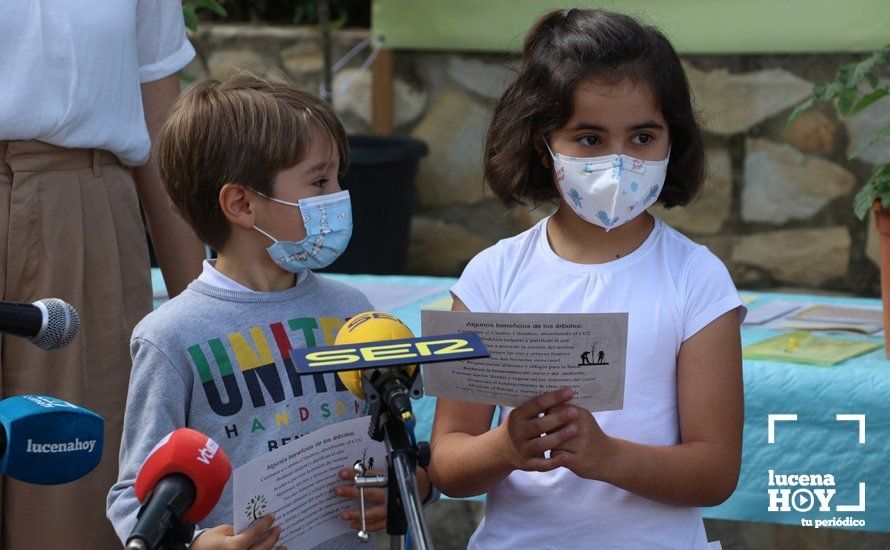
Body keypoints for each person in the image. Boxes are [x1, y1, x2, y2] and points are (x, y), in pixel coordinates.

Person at [429, 8, 745, 549]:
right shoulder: (492, 277)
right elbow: (448, 462)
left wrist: (606, 457)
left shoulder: (697, 279)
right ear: (542, 143)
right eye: (590, 139)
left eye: (643, 137)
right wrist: (505, 447)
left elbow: (716, 472)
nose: (619, 162)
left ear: (674, 138)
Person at [106, 74, 432, 549]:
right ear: (241, 203)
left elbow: (398, 446)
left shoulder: (354, 313)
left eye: (338, 176)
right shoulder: (170, 335)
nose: (338, 195)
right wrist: (196, 545)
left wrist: (404, 491)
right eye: (319, 179)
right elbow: (132, 496)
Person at [0, 2, 204, 548]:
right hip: (79, 206)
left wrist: (203, 311)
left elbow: (163, 123)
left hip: (84, 217)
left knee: (71, 481)